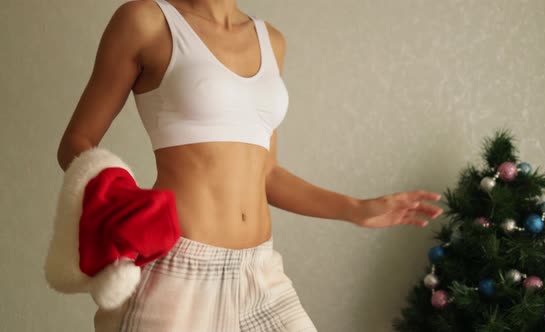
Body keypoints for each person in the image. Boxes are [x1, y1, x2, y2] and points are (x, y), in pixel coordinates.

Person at [56, 0, 445, 331]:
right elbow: (77, 142)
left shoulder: (271, 40)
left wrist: (358, 209)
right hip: (178, 267)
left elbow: (267, 173)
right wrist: (122, 202)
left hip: (258, 271)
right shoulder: (146, 20)